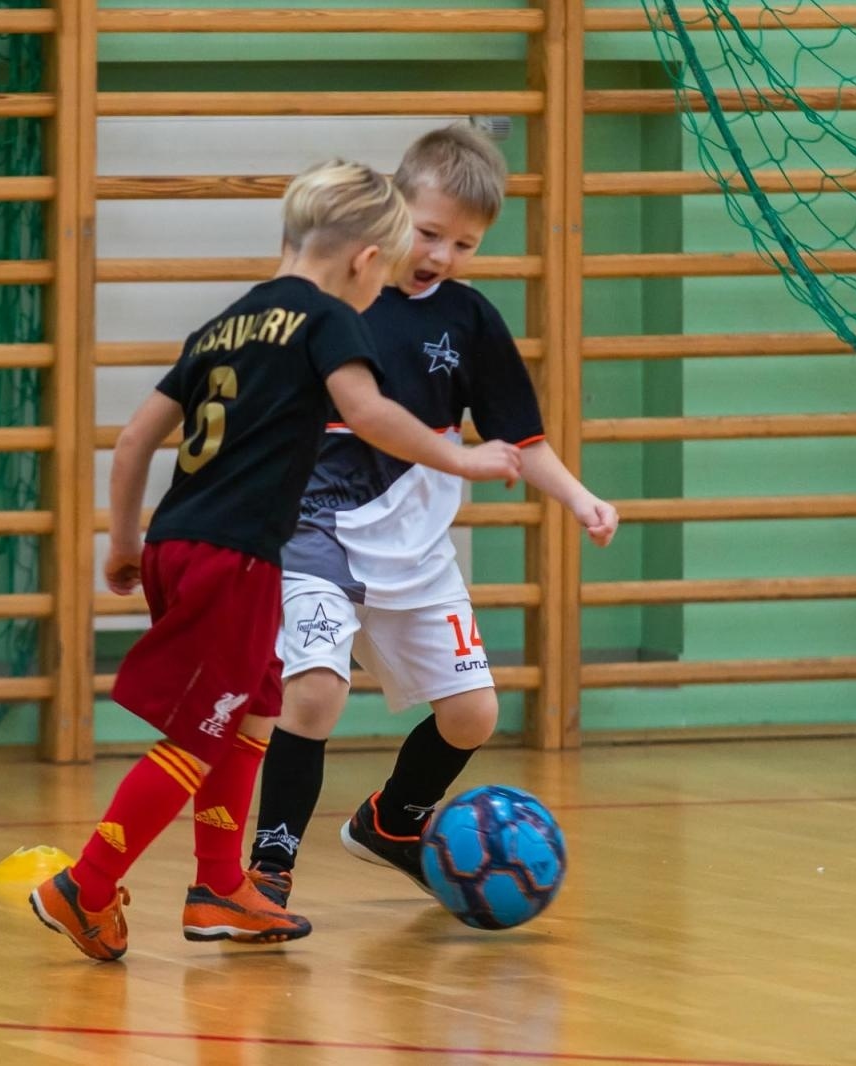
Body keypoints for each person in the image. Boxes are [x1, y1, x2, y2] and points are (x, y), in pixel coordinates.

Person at [29, 160, 523, 961]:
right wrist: (461, 461)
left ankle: (221, 887)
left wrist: (123, 544)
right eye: (384, 274)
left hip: (177, 540)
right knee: (198, 737)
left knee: (254, 707)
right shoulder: (328, 320)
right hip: (238, 556)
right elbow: (367, 415)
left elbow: (132, 441)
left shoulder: (225, 324)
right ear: (366, 261)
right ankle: (85, 886)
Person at [244, 125, 618, 904]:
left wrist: (580, 497)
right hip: (318, 527)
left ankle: (392, 822)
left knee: (474, 714)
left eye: (466, 244)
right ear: (392, 209)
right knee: (314, 692)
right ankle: (269, 870)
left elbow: (522, 438)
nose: (443, 255)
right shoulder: (334, 300)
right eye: (430, 232)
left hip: (416, 548)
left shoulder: (472, 320)